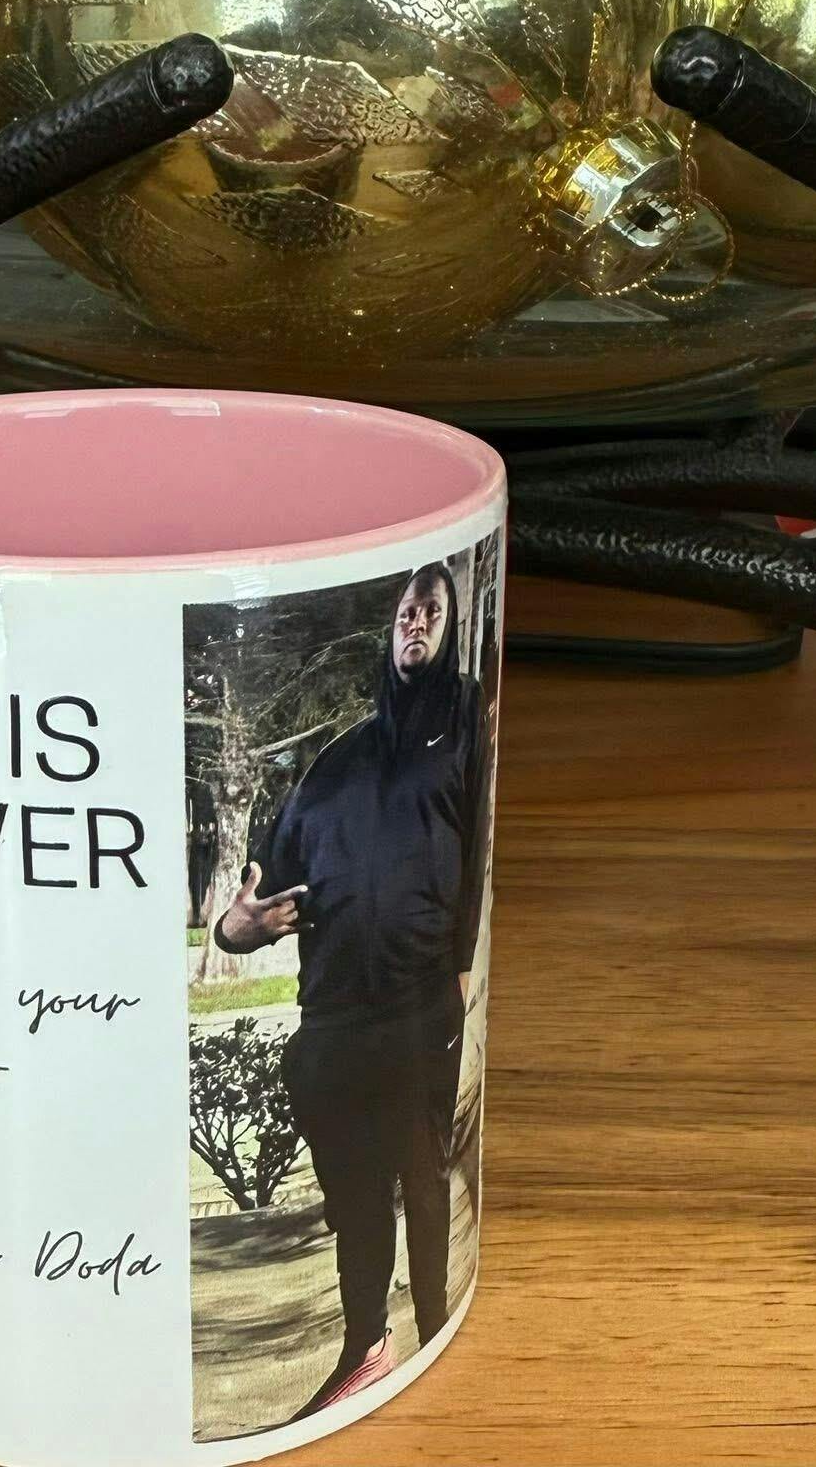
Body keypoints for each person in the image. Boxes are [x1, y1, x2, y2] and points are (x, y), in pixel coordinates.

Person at [214, 562, 491, 1418]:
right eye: (407, 611)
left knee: (424, 1180)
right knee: (358, 1197)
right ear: (390, 627)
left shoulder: (464, 727)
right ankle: (366, 1347)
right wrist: (240, 928)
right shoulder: (333, 767)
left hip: (417, 1007)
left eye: (433, 610)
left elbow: (478, 858)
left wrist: (460, 973)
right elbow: (246, 911)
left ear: (450, 627)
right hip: (332, 1021)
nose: (417, 623)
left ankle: (437, 1324)